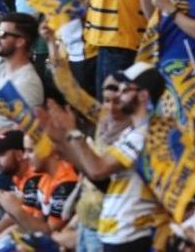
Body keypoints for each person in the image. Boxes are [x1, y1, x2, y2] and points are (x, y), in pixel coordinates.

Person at [45, 62, 167, 251]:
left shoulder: (146, 134)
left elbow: (97, 170)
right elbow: (101, 178)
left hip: (132, 234)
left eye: (125, 89)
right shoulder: (133, 133)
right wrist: (62, 141)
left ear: (143, 96)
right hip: (116, 232)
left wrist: (72, 132)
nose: (118, 95)